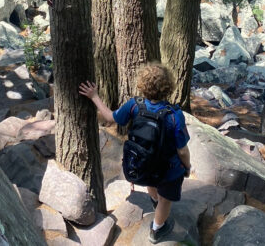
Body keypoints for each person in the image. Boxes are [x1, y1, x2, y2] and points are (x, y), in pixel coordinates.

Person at [79, 62, 191, 244]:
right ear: (169, 87)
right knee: (166, 199)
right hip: (166, 170)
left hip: (141, 167)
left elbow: (110, 117)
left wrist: (94, 96)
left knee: (151, 171)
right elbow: (182, 150)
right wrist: (187, 166)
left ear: (142, 85)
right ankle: (157, 229)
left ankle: (154, 199)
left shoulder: (134, 105)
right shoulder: (174, 115)